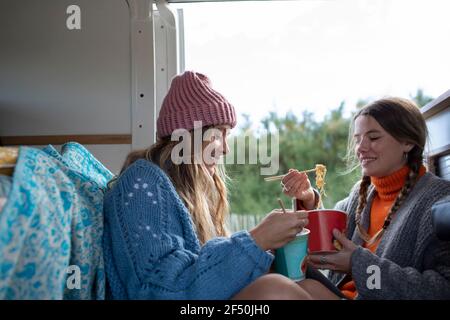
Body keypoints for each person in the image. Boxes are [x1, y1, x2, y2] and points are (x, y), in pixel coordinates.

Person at [102, 71, 318, 299]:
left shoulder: (188, 194)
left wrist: (269, 247)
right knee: (275, 291)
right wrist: (256, 240)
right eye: (219, 134)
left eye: (228, 135)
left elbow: (207, 272)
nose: (225, 149)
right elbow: (160, 290)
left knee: (310, 287)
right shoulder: (141, 185)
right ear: (189, 136)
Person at [273, 97, 450, 299]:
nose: (361, 148)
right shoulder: (361, 193)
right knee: (268, 267)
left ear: (408, 142)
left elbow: (441, 290)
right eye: (358, 139)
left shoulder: (439, 201)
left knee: (277, 290)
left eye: (373, 138)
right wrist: (307, 199)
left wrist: (358, 265)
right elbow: (329, 230)